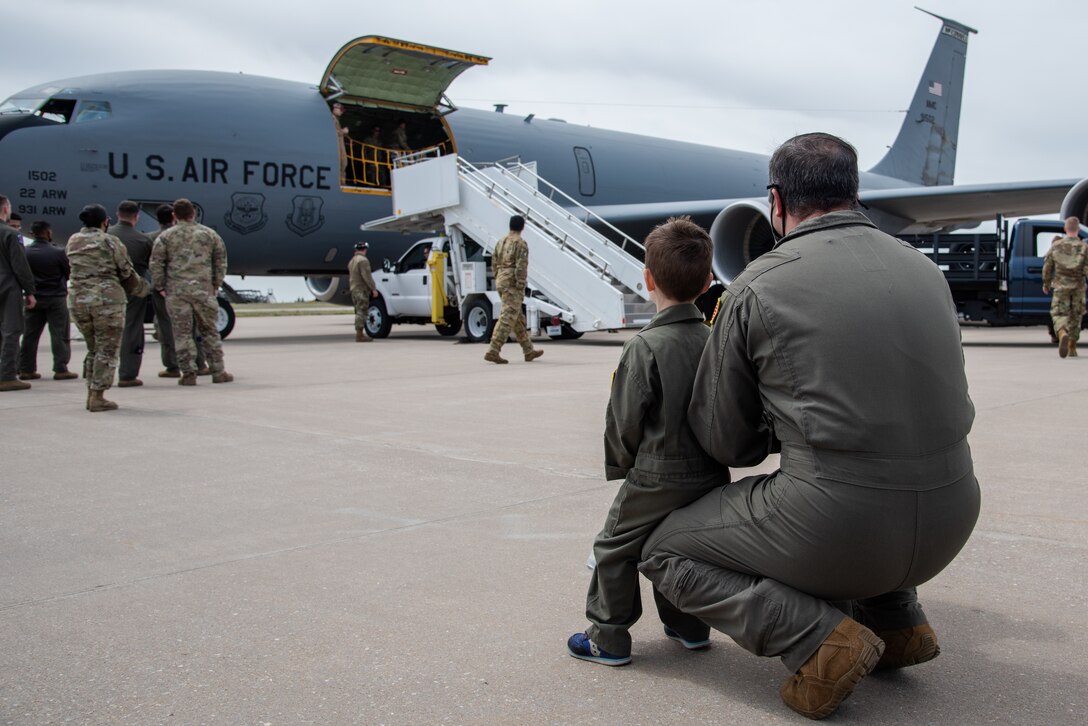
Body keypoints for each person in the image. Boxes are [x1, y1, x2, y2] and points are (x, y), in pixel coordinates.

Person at [638, 133, 980, 720]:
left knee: (666, 550)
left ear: (776, 201)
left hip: (844, 530)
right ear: (853, 193)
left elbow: (728, 442)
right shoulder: (925, 271)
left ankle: (819, 641)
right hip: (953, 518)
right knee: (879, 471)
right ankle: (899, 624)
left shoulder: (758, 284)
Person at [567, 217, 726, 666]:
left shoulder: (644, 346)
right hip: (710, 471)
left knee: (614, 546)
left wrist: (623, 467)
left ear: (648, 279)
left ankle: (607, 638)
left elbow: (623, 422)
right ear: (708, 282)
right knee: (680, 545)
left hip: (658, 472)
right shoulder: (716, 342)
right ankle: (690, 627)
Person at [66, 203, 148, 411]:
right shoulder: (110, 241)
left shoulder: (73, 240)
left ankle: (91, 390)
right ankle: (98, 396)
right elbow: (126, 272)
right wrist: (142, 290)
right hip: (106, 302)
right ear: (105, 222)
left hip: (78, 301)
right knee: (107, 349)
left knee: (93, 348)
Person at [150, 198, 232, 386]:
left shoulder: (166, 237)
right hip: (203, 291)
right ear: (193, 213)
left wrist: (160, 286)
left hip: (177, 293)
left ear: (174, 215)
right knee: (210, 331)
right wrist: (215, 284)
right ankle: (218, 371)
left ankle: (188, 374)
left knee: (182, 334)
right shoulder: (209, 235)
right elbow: (221, 261)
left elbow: (156, 263)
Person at [148, 204, 207, 377]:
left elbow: (153, 264)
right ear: (173, 217)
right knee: (193, 326)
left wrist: (159, 286)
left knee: (167, 328)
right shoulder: (194, 235)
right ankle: (200, 363)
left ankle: (172, 366)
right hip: (191, 286)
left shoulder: (152, 238)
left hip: (166, 289)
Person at [17, 221, 77, 381]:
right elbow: (69, 272)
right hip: (55, 298)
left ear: (32, 233)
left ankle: (26, 369)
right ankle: (60, 368)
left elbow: (21, 273)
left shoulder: (25, 252)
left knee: (30, 335)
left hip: (33, 297)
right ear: (49, 233)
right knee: (59, 334)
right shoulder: (58, 252)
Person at [484, 215, 542, 364]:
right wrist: (520, 284)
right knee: (507, 317)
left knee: (517, 318)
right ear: (522, 227)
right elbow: (521, 267)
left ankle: (528, 350)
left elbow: (494, 262)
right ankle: (493, 350)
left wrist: (499, 277)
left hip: (501, 280)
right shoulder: (521, 243)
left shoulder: (501, 241)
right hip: (512, 284)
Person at [108, 200, 154, 387]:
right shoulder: (143, 240)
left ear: (118, 215)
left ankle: (94, 372)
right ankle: (128, 374)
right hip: (132, 291)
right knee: (132, 328)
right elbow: (152, 267)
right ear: (137, 217)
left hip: (106, 290)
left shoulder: (105, 236)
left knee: (102, 330)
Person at [0, 195, 37, 392]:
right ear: (5, 210)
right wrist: (29, 290)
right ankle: (6, 376)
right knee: (12, 330)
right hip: (7, 285)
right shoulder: (11, 234)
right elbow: (20, 265)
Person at [1041, 216, 1087, 358]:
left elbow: (1047, 267)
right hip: (1078, 287)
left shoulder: (1056, 246)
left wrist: (1046, 283)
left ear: (1065, 229)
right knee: (1076, 316)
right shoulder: (1084, 247)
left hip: (1061, 286)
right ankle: (1072, 346)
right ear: (1078, 230)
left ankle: (1062, 333)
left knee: (1059, 314)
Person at [348, 241, 377, 342]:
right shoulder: (363, 260)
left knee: (358, 311)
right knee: (362, 311)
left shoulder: (352, 260)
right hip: (361, 289)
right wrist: (373, 288)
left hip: (354, 289)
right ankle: (359, 335)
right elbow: (367, 276)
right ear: (365, 249)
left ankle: (359, 334)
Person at [332, 102, 351, 183]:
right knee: (341, 165)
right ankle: (340, 184)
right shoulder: (332, 119)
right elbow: (332, 133)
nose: (342, 112)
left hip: (340, 149)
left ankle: (342, 183)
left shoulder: (336, 120)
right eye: (341, 110)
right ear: (335, 109)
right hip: (337, 149)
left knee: (343, 165)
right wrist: (343, 131)